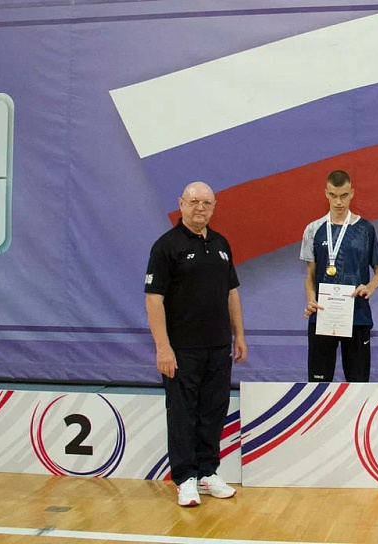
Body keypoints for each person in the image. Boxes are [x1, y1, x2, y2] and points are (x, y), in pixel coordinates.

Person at [145, 181, 248, 507]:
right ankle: (185, 478)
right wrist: (163, 347)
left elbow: (231, 292)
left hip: (218, 349)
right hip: (181, 351)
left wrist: (239, 335)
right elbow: (153, 299)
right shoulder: (166, 247)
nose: (200, 207)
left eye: (206, 202)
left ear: (214, 207)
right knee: (182, 414)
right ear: (181, 204)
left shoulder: (221, 244)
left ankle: (207, 472)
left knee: (213, 411)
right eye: (193, 202)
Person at [301, 170, 378, 382]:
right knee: (319, 386)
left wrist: (370, 287)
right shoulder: (313, 229)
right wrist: (311, 300)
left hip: (357, 315)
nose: (338, 202)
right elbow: (310, 274)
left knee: (358, 385)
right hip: (323, 315)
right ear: (326, 194)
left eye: (344, 195)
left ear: (352, 193)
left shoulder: (365, 229)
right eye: (333, 195)